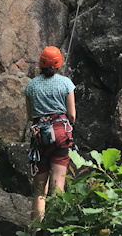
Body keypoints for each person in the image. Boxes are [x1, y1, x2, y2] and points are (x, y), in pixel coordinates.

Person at [25, 46, 76, 226]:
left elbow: (30, 115)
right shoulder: (66, 84)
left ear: (40, 63)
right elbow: (72, 115)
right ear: (59, 63)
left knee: (39, 192)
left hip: (40, 138)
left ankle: (35, 230)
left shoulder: (31, 86)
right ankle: (56, 229)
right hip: (61, 136)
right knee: (57, 189)